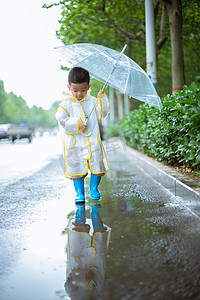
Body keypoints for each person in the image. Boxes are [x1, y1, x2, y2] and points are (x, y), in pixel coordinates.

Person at [56, 67, 109, 203]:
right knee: (76, 167)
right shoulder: (66, 103)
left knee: (96, 163)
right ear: (69, 87)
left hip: (92, 140)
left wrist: (102, 99)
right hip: (75, 142)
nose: (79, 94)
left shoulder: (92, 101)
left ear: (88, 86)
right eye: (75, 90)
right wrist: (76, 124)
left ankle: (94, 189)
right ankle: (79, 193)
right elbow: (61, 118)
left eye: (83, 90)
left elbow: (102, 114)